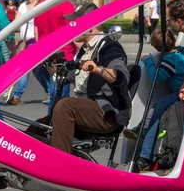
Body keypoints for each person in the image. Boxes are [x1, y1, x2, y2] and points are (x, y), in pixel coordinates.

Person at [50, 18, 131, 155]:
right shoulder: (84, 49)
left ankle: (59, 164)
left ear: (90, 27)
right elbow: (66, 77)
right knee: (42, 125)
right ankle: (11, 166)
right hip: (86, 109)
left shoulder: (109, 47)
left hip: (106, 112)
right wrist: (50, 66)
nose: (72, 29)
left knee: (65, 106)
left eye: (76, 24)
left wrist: (98, 69)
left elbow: (122, 76)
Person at [125, 28, 184, 171]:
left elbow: (156, 77)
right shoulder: (180, 53)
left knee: (158, 107)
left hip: (180, 93)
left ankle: (142, 133)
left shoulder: (171, 60)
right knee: (156, 107)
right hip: (181, 91)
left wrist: (148, 61)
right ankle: (141, 129)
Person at [34, 0, 77, 112]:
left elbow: (36, 33)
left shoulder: (40, 5)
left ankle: (51, 126)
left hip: (45, 56)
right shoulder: (66, 6)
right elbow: (75, 34)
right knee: (60, 101)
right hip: (63, 58)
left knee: (55, 95)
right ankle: (52, 128)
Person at [6, 0, 52, 106]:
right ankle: (50, 91)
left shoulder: (41, 6)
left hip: (34, 41)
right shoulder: (22, 6)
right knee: (37, 71)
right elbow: (16, 21)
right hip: (23, 43)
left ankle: (17, 96)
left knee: (25, 68)